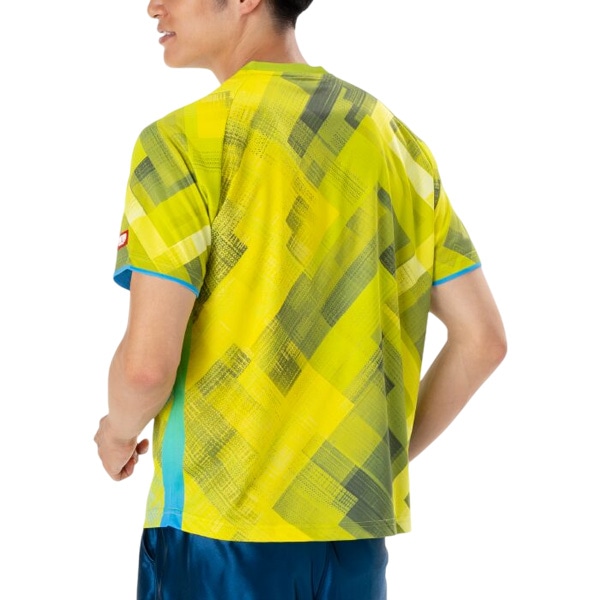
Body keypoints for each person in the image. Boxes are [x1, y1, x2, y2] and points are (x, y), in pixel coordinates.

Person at [94, 0, 507, 598]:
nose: (153, 6)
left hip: (217, 532)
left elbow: (146, 367)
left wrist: (115, 434)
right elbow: (483, 341)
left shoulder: (181, 144)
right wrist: (366, 466)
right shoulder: (393, 141)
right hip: (351, 547)